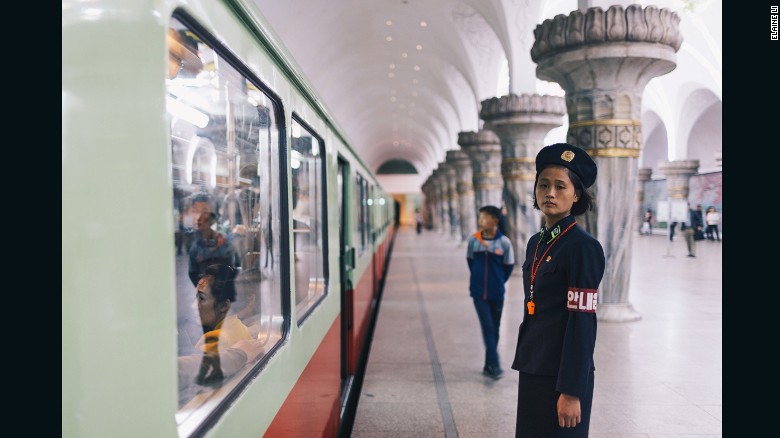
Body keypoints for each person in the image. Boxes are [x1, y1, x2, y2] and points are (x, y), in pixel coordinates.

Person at [511, 143, 605, 437]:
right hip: (533, 365)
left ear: (576, 195)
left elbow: (582, 321)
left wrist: (572, 391)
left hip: (562, 374)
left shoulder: (583, 247)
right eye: (543, 185)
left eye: (560, 186)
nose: (550, 193)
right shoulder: (536, 243)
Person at [466, 205, 515, 380]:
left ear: (495, 220)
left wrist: (499, 281)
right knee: (488, 328)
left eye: (485, 217)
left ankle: (488, 364)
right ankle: (494, 365)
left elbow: (509, 267)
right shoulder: (474, 241)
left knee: (495, 328)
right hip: (479, 294)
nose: (481, 221)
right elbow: (471, 262)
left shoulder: (504, 243)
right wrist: (479, 280)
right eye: (480, 218)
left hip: (497, 293)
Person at [188, 211, 238, 286]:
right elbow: (192, 273)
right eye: (199, 224)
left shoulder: (225, 245)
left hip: (223, 289)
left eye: (202, 223)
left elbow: (233, 268)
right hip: (208, 290)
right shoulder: (196, 248)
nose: (200, 228)